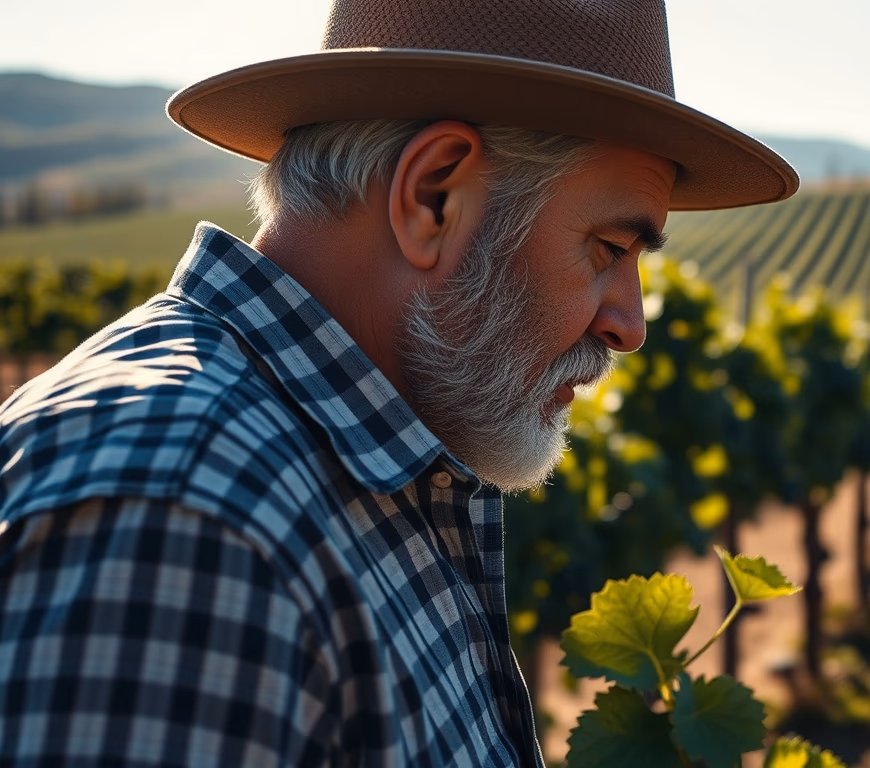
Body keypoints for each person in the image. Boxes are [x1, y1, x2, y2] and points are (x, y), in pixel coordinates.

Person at [0, 0, 797, 764]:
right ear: (434, 196)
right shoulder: (185, 526)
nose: (630, 323)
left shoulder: (353, 470)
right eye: (609, 249)